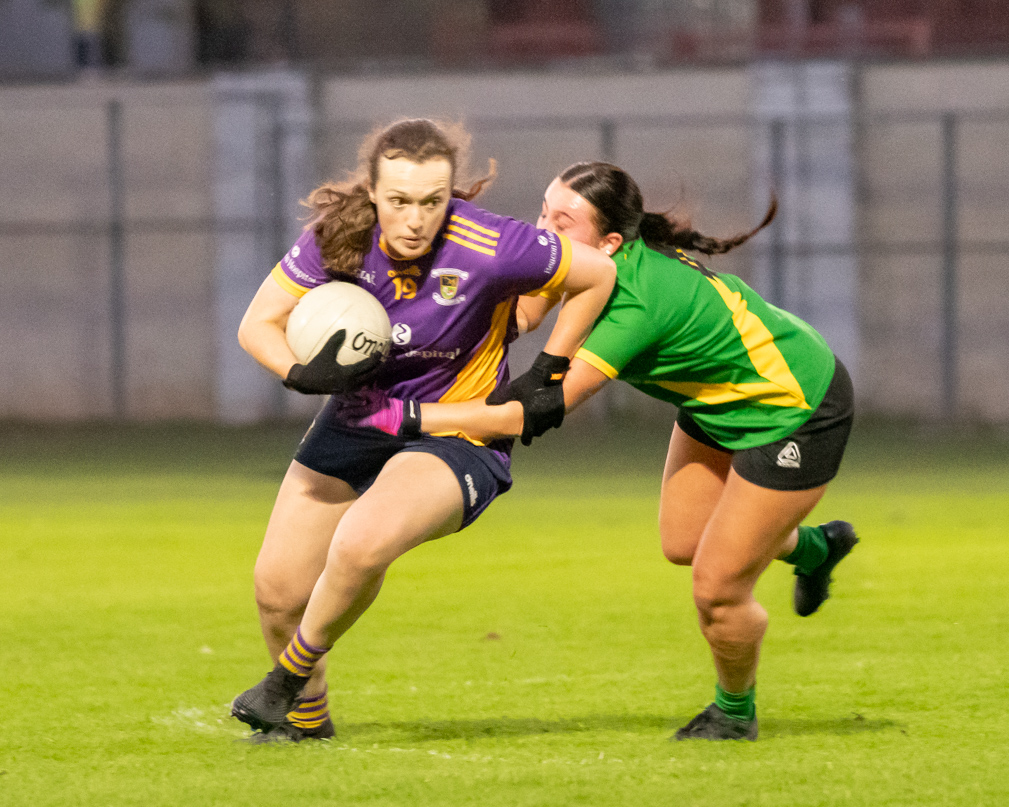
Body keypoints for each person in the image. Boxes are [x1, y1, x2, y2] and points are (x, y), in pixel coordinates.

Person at [353, 161, 858, 742]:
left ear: (611, 242)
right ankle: (817, 549)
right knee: (685, 544)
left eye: (562, 221)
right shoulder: (578, 263)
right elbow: (512, 312)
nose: (543, 229)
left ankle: (734, 714)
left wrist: (407, 416)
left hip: (794, 407)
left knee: (718, 587)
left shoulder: (634, 303)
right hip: (719, 403)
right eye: (543, 211)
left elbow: (534, 413)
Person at [228, 121, 616, 742]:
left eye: (432, 202)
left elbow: (597, 273)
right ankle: (306, 723)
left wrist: (551, 366)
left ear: (450, 197)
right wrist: (299, 372)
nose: (415, 219)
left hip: (458, 434)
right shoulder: (337, 239)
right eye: (400, 201)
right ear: (375, 193)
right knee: (277, 592)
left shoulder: (489, 241)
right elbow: (257, 324)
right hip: (363, 416)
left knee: (361, 541)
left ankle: (283, 681)